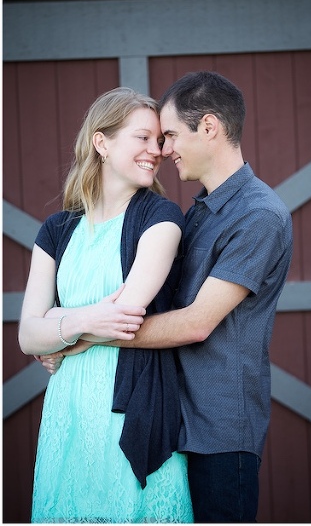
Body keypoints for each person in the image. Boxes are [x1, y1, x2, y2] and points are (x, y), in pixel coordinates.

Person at [46, 71, 294, 522]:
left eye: (172, 134)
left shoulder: (259, 215)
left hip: (220, 433)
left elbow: (197, 322)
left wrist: (81, 339)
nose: (164, 149)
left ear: (210, 128)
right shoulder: (198, 211)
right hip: (174, 418)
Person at [18, 87, 194, 522]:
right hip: (69, 413)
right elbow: (26, 337)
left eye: (159, 141)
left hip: (131, 408)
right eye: (142, 138)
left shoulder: (161, 219)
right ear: (101, 142)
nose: (156, 151)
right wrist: (82, 320)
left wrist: (58, 326)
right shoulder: (57, 230)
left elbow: (126, 317)